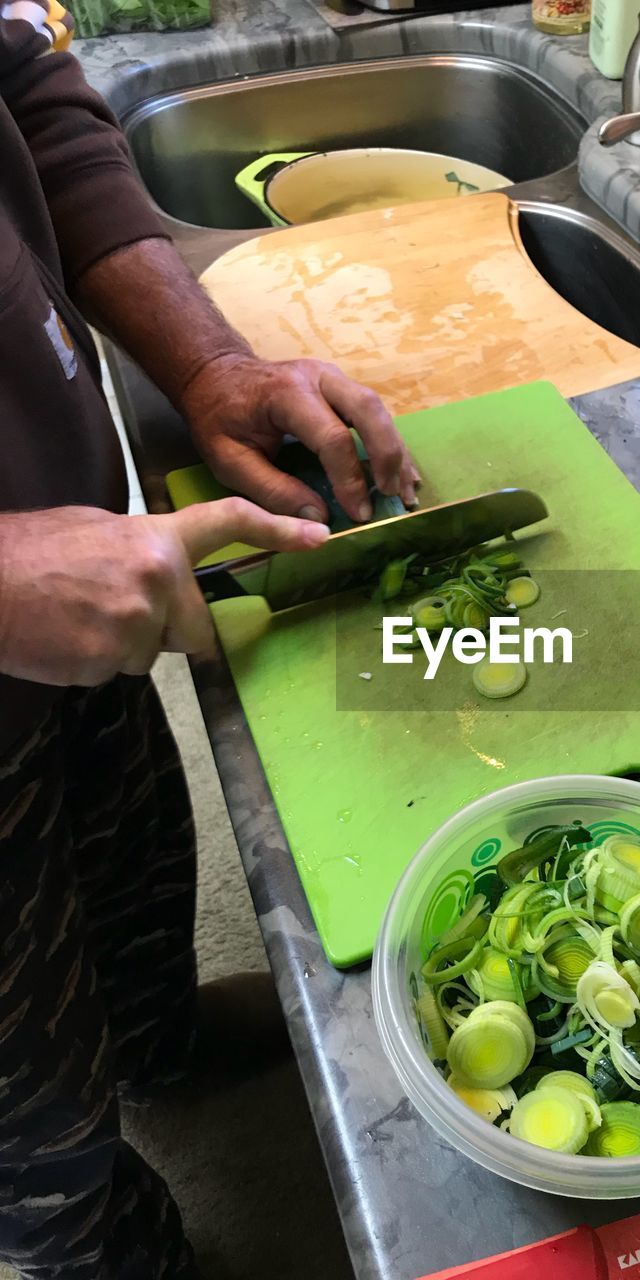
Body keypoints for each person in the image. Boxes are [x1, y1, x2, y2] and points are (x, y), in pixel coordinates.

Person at [0, 2, 418, 1275]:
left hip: (90, 574)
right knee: (38, 1143)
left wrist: (207, 362)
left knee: (134, 878)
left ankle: (162, 1041)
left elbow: (30, 92)